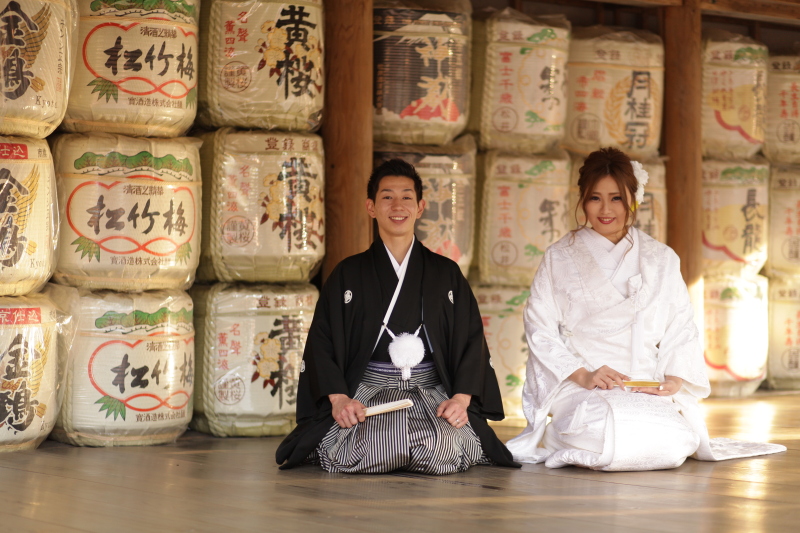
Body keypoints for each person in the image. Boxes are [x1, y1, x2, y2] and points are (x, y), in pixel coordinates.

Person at [506, 147, 785, 471]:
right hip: (583, 382)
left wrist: (674, 380)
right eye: (595, 198)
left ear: (633, 200)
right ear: (582, 199)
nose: (605, 209)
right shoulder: (559, 257)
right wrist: (583, 374)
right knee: (601, 431)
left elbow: (681, 326)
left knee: (670, 438)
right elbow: (539, 327)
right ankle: (565, 432)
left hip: (644, 382)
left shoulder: (661, 259)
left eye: (616, 198)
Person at [276, 159, 519, 474]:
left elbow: (471, 339)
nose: (397, 205)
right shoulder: (348, 273)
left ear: (420, 207)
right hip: (368, 392)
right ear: (371, 207)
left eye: (407, 197)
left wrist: (460, 399)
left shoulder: (446, 273)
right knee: (370, 443)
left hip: (430, 392)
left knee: (440, 448)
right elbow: (321, 342)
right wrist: (339, 400)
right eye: (387, 196)